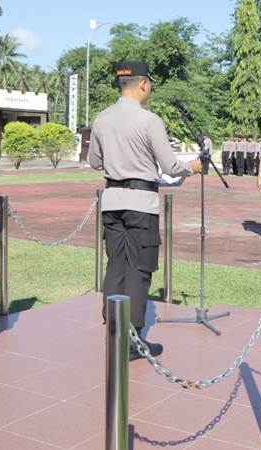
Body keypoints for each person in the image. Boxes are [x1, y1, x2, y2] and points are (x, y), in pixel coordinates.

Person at [88, 61, 202, 360]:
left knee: (116, 265)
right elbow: (170, 166)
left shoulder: (101, 118)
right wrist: (192, 166)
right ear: (143, 84)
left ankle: (114, 331)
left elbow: (94, 162)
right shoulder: (149, 120)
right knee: (139, 270)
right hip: (141, 203)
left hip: (112, 200)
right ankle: (133, 341)